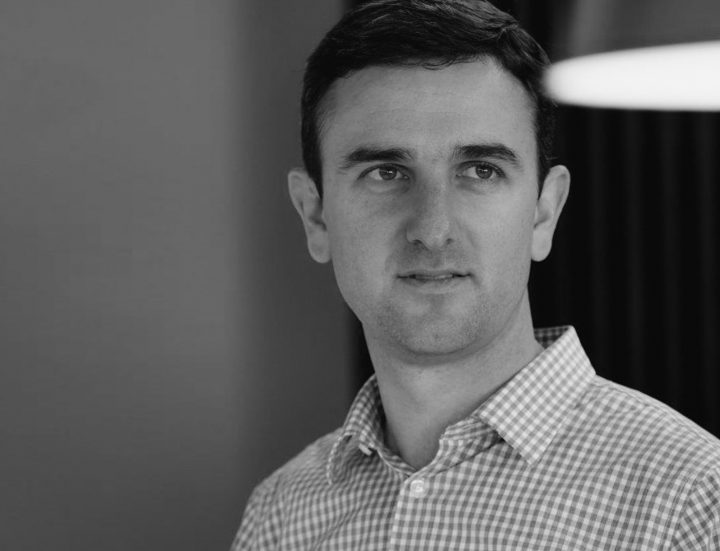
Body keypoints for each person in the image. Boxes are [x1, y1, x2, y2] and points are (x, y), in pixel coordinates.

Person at [232, 0, 720, 548]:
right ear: (315, 216)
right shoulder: (281, 515)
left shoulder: (690, 502)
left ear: (544, 212)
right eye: (386, 172)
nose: (433, 229)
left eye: (481, 170)